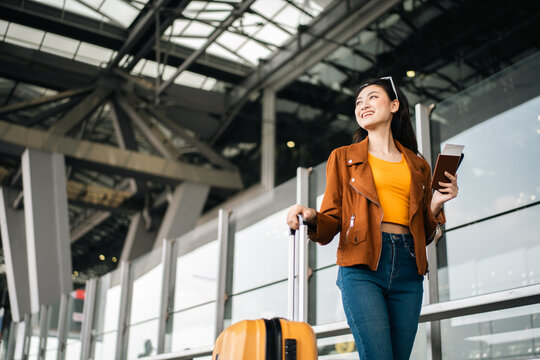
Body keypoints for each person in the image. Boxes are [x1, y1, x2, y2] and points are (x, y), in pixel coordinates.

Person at [286, 77, 458, 359]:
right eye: (358, 102)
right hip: (362, 265)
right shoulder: (342, 158)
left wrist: (436, 204)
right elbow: (331, 222)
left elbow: (425, 234)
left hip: (409, 268)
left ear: (394, 105)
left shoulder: (418, 164)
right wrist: (313, 216)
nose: (363, 105)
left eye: (372, 97)